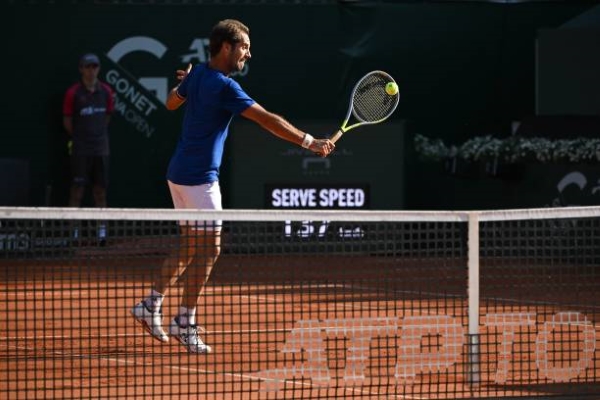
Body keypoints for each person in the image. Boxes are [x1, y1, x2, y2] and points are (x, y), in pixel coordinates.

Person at [131, 19, 335, 354]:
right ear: (226, 47)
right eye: (244, 47)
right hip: (199, 180)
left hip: (178, 175)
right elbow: (267, 119)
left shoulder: (197, 74)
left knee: (188, 248)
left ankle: (150, 304)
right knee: (209, 250)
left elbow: (170, 102)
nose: (248, 54)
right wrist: (309, 141)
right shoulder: (225, 86)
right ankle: (184, 321)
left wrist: (187, 83)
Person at [62, 53, 114, 240]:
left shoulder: (107, 92)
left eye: (94, 67)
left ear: (98, 69)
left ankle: (101, 233)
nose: (91, 71)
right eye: (87, 67)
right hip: (80, 149)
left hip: (101, 149)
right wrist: (80, 137)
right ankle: (73, 233)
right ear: (81, 69)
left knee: (100, 192)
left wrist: (96, 136)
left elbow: (107, 117)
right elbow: (67, 121)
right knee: (76, 191)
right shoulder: (73, 93)